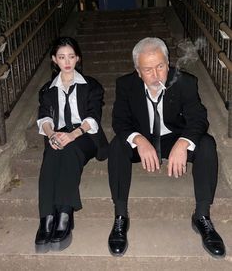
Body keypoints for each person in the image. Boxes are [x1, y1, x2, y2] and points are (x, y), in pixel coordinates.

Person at [107, 37, 225, 258]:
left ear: (168, 63)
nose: (156, 74)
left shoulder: (184, 82)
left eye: (160, 66)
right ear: (137, 70)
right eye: (148, 69)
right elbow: (119, 122)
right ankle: (120, 216)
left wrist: (183, 142)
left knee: (207, 144)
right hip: (144, 138)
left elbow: (198, 119)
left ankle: (202, 216)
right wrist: (139, 140)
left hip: (174, 137)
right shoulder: (126, 85)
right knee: (117, 146)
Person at [35, 36, 108, 253]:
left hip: (85, 135)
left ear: (78, 58)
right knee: (52, 151)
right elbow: (44, 118)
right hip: (58, 134)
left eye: (71, 56)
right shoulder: (47, 89)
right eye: (61, 57)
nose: (67, 61)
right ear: (54, 60)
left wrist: (73, 134)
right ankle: (47, 217)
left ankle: (65, 213)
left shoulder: (91, 85)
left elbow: (93, 117)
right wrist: (52, 136)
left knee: (69, 149)